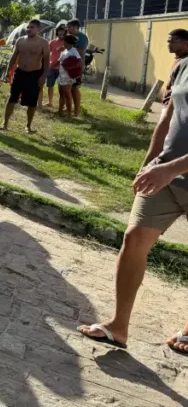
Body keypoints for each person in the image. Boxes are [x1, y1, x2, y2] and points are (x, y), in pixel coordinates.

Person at [78, 55, 188, 353]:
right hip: (164, 174)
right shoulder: (182, 66)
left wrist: (171, 168)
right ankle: (118, 326)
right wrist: (149, 164)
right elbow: (166, 119)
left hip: (172, 171)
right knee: (134, 238)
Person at [1, 19, 50, 133]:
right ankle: (5, 123)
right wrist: (8, 70)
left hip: (34, 74)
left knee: (32, 102)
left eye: (32, 27)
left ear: (38, 29)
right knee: (12, 98)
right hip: (20, 72)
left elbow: (47, 61)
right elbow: (13, 57)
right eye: (28, 27)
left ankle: (28, 126)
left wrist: (43, 76)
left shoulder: (43, 43)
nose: (29, 29)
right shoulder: (20, 41)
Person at [42, 24, 67, 109]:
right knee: (50, 85)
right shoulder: (52, 42)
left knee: (63, 87)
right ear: (57, 32)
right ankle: (50, 102)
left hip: (63, 69)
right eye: (59, 31)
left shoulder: (67, 43)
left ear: (65, 32)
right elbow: (47, 53)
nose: (61, 33)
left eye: (63, 31)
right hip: (51, 67)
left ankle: (63, 104)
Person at [67, 19, 88, 117]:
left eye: (70, 27)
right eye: (67, 27)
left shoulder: (82, 37)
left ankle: (77, 110)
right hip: (69, 64)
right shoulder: (68, 36)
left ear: (76, 27)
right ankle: (70, 108)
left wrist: (67, 48)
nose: (68, 29)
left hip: (77, 65)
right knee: (69, 87)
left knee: (75, 88)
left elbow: (81, 50)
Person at [57, 35, 82, 117]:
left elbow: (79, 62)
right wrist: (50, 67)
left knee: (67, 95)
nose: (62, 42)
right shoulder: (64, 51)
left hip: (68, 77)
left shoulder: (74, 51)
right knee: (61, 94)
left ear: (67, 42)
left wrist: (77, 74)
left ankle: (69, 114)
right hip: (61, 75)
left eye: (64, 41)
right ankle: (60, 111)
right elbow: (59, 61)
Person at [163, 29, 188, 108]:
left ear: (185, 43)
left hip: (176, 108)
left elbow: (179, 90)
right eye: (168, 42)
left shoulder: (185, 62)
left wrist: (167, 113)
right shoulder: (179, 59)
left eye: (173, 42)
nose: (169, 44)